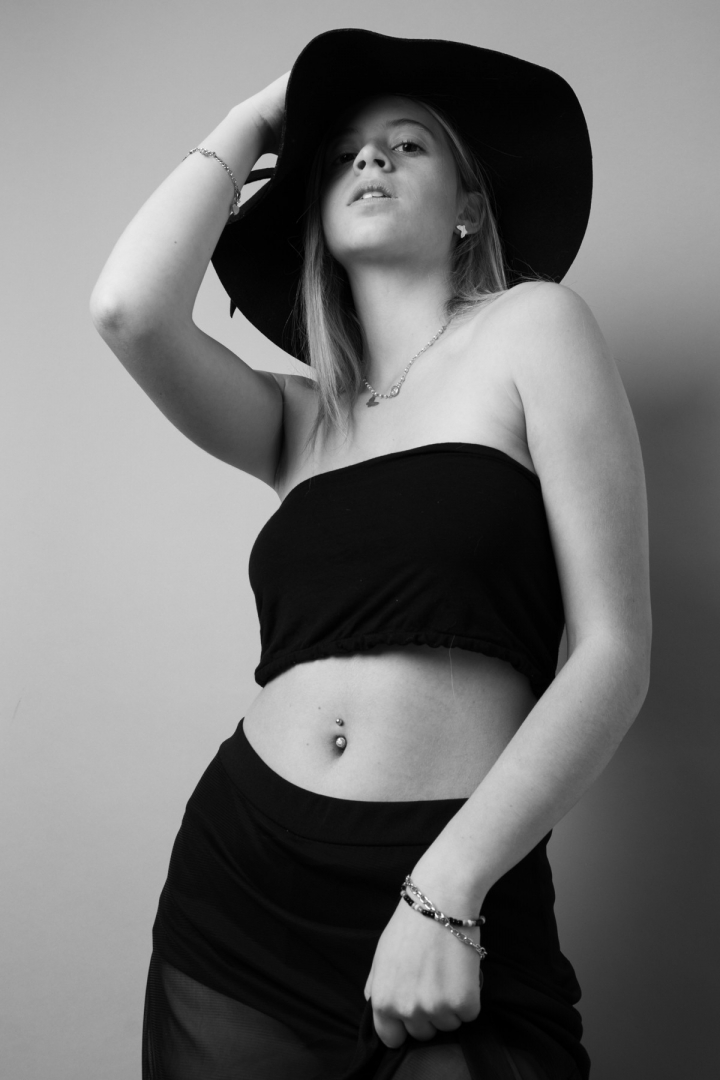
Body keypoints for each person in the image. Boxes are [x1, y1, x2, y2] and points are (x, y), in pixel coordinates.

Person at [90, 28, 651, 1080]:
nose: (371, 159)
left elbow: (614, 652)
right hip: (242, 889)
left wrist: (447, 891)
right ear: (315, 215)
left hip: (453, 868)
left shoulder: (533, 331)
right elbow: (127, 312)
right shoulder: (299, 421)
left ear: (469, 204)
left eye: (408, 144)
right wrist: (258, 119)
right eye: (342, 153)